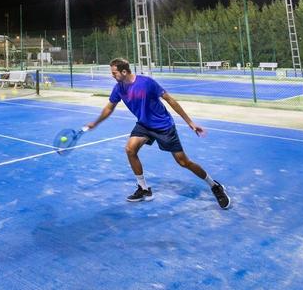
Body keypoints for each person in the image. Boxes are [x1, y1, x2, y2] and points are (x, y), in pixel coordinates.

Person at [85, 58, 230, 209]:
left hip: (163, 126)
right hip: (144, 125)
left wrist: (190, 122)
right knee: (130, 149)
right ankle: (144, 189)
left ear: (124, 71)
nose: (112, 75)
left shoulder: (146, 83)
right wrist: (95, 122)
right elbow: (109, 108)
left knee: (183, 162)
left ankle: (214, 186)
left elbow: (170, 100)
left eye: (114, 73)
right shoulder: (118, 88)